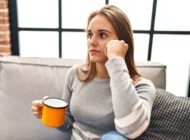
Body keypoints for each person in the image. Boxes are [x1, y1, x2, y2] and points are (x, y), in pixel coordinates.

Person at [31, 4, 156, 140]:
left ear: (122, 43)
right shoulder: (75, 74)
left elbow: (131, 130)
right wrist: (49, 114)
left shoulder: (142, 87)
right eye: (90, 35)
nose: (92, 42)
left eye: (102, 35)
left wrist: (116, 60)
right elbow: (69, 123)